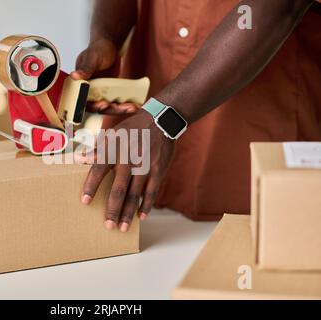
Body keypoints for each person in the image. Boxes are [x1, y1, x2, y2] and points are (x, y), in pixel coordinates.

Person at [70, 0, 321, 232]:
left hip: (250, 172)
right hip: (139, 157)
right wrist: (106, 37)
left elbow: (281, 5)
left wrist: (163, 118)